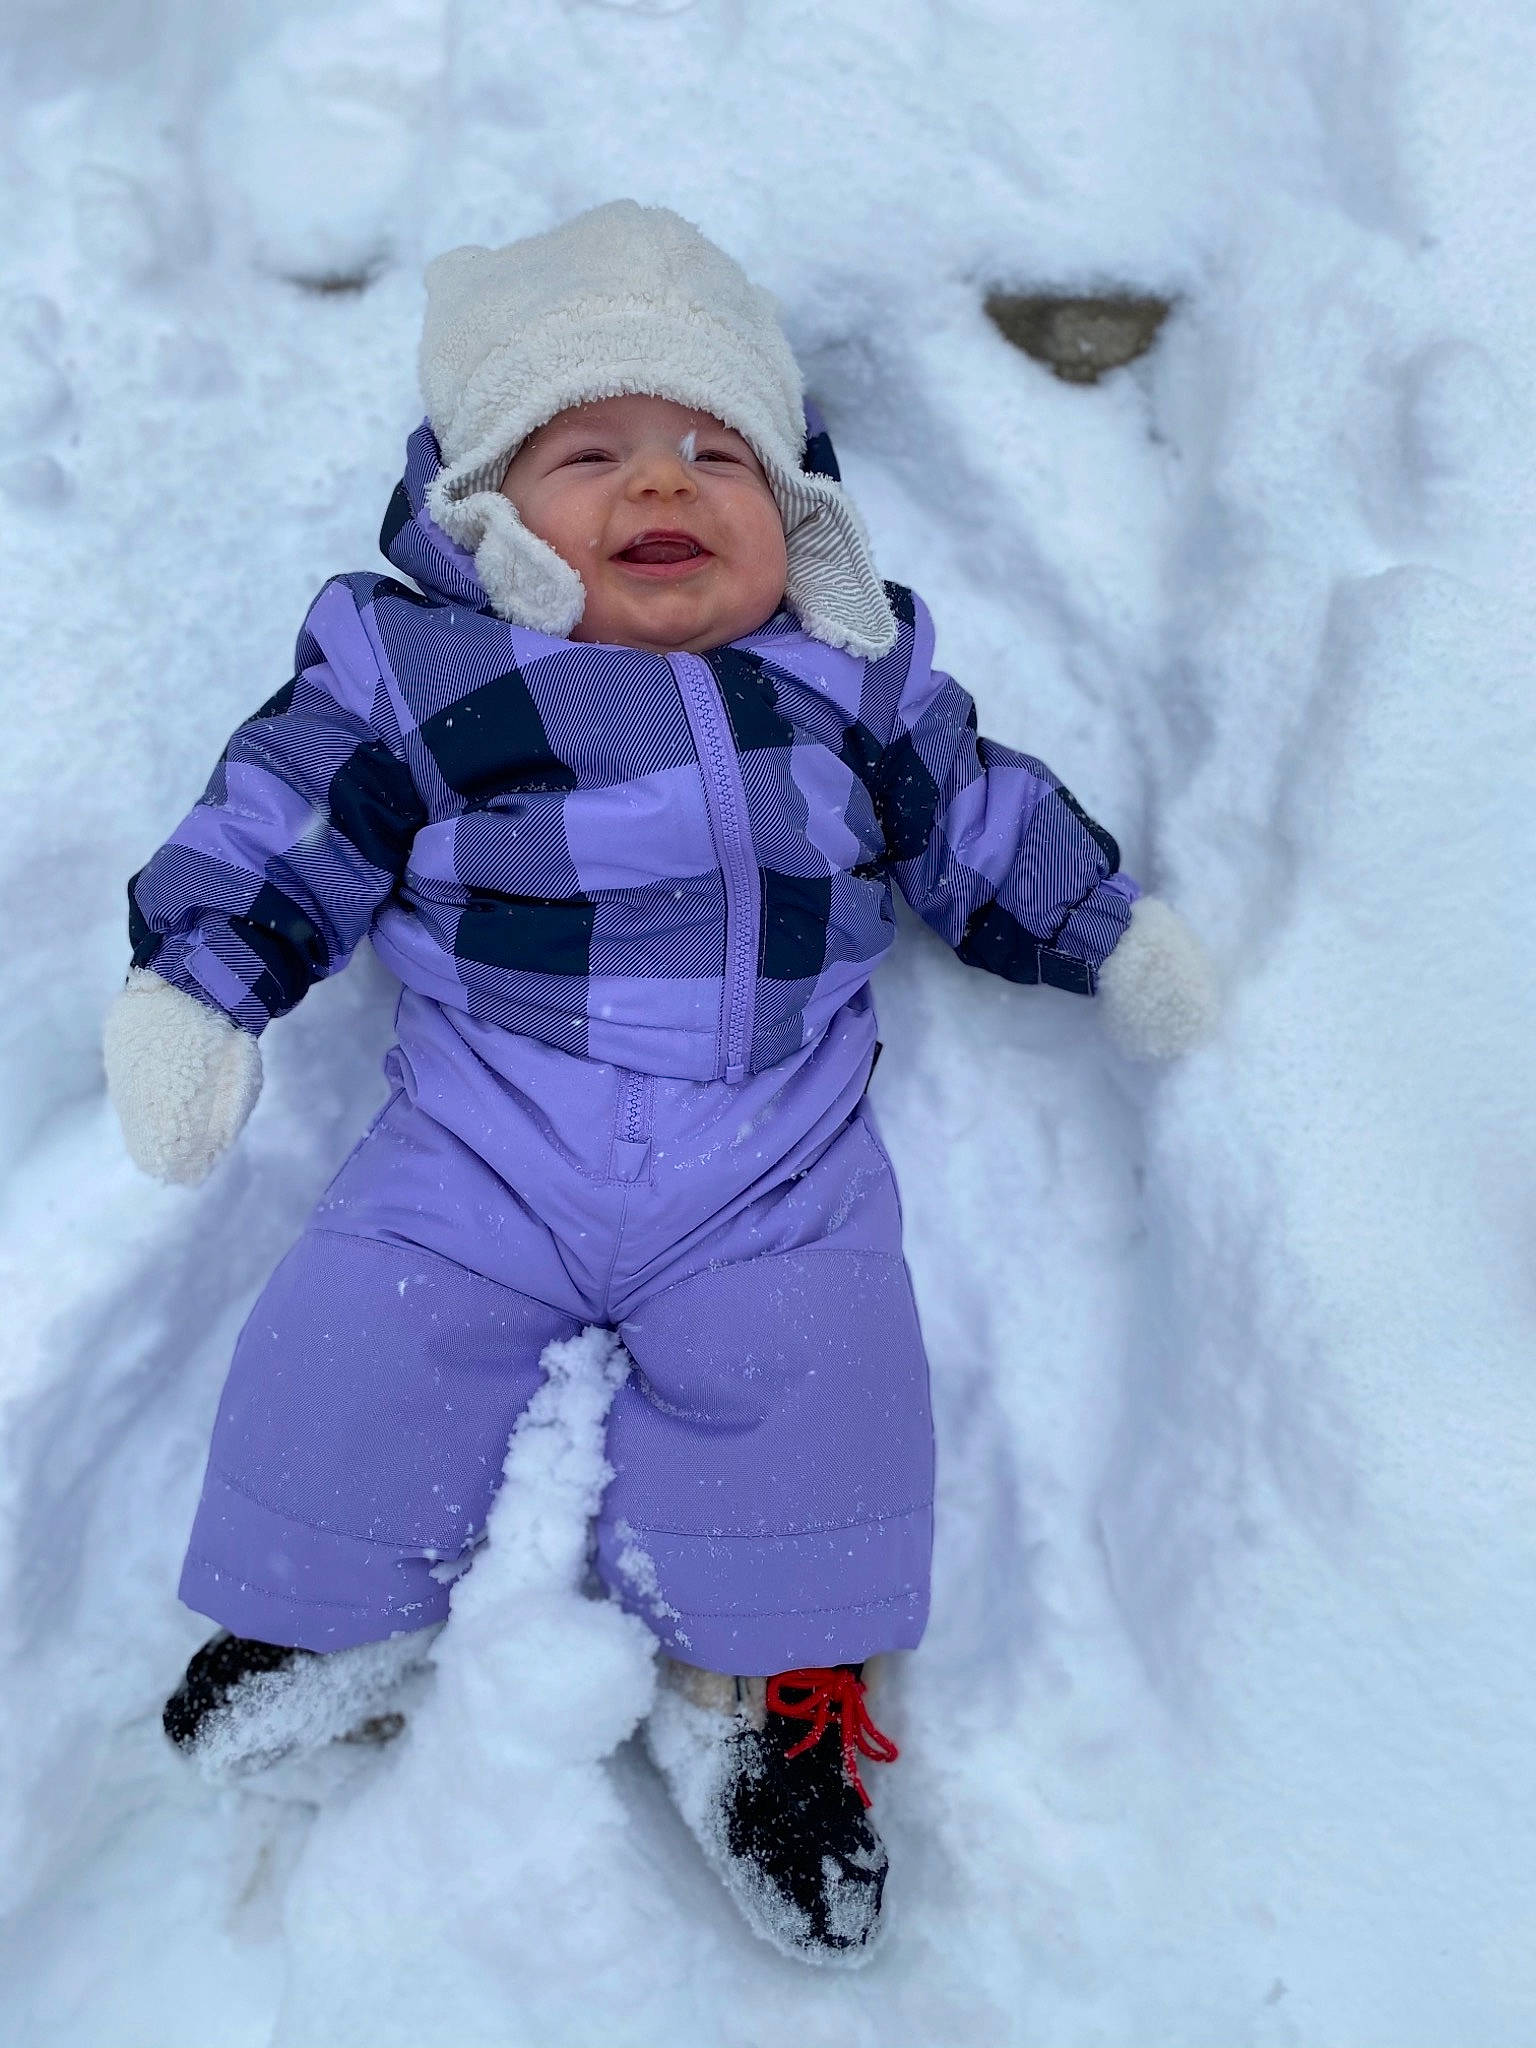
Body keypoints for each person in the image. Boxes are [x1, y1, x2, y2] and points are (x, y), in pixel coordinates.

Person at [104, 200, 1215, 1965]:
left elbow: (979, 820)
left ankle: (760, 1709)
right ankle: (321, 1622)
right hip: (486, 1138)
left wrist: (1106, 932)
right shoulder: (418, 669)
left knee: (823, 1373)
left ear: (796, 513)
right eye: (591, 454)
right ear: (485, 515)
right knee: (364, 1326)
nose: (661, 485)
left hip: (771, 1163)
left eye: (717, 454)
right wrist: (199, 988)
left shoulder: (853, 676)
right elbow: (287, 821)